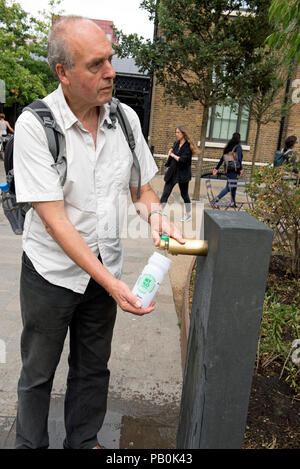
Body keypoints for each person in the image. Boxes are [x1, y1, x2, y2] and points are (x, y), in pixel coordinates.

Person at [13, 16, 184, 450]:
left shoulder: (124, 119)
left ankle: (84, 441)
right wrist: (114, 285)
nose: (111, 71)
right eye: (96, 64)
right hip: (50, 274)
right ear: (63, 73)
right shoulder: (36, 126)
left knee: (93, 368)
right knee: (38, 372)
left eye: (109, 59)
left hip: (102, 270)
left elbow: (142, 189)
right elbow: (55, 221)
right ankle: (30, 444)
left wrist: (156, 217)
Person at [160, 126, 197, 222]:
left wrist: (172, 155)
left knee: (184, 195)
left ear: (183, 134)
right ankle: (159, 212)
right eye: (176, 132)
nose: (176, 134)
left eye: (178, 132)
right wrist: (169, 155)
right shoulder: (176, 144)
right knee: (165, 194)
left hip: (183, 174)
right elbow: (171, 159)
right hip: (172, 172)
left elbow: (183, 160)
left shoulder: (188, 146)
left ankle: (188, 214)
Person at [212, 132, 243, 207]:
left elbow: (222, 158)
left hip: (228, 170)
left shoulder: (228, 147)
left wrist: (217, 168)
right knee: (229, 188)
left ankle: (233, 203)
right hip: (234, 170)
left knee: (234, 187)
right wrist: (241, 169)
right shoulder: (238, 147)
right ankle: (216, 199)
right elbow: (239, 160)